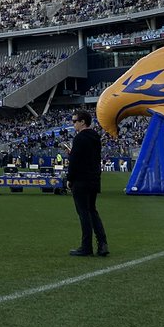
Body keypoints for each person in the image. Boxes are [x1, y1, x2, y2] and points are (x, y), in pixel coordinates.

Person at [63, 110, 109, 257]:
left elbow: (75, 161)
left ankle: (86, 246)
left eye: (75, 121)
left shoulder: (79, 138)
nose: (73, 124)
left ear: (83, 122)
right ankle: (102, 244)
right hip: (94, 179)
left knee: (84, 213)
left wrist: (69, 179)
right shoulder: (95, 136)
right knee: (92, 211)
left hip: (81, 180)